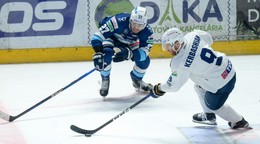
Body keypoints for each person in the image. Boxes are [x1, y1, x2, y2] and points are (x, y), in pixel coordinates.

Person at [149, 28, 251, 129]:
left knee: (215, 107)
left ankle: (239, 121)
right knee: (199, 87)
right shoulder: (193, 35)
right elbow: (209, 39)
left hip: (221, 84)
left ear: (176, 43)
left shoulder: (179, 63)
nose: (167, 49)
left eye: (168, 46)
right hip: (228, 68)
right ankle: (209, 116)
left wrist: (159, 89)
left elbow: (173, 86)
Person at [91, 6, 153, 97]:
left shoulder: (147, 32)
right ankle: (105, 79)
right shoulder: (118, 21)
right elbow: (97, 36)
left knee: (145, 60)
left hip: (130, 42)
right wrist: (98, 51)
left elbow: (145, 52)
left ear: (145, 24)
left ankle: (137, 80)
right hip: (112, 37)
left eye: (140, 25)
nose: (136, 28)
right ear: (130, 20)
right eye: (134, 24)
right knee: (106, 54)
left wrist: (129, 53)